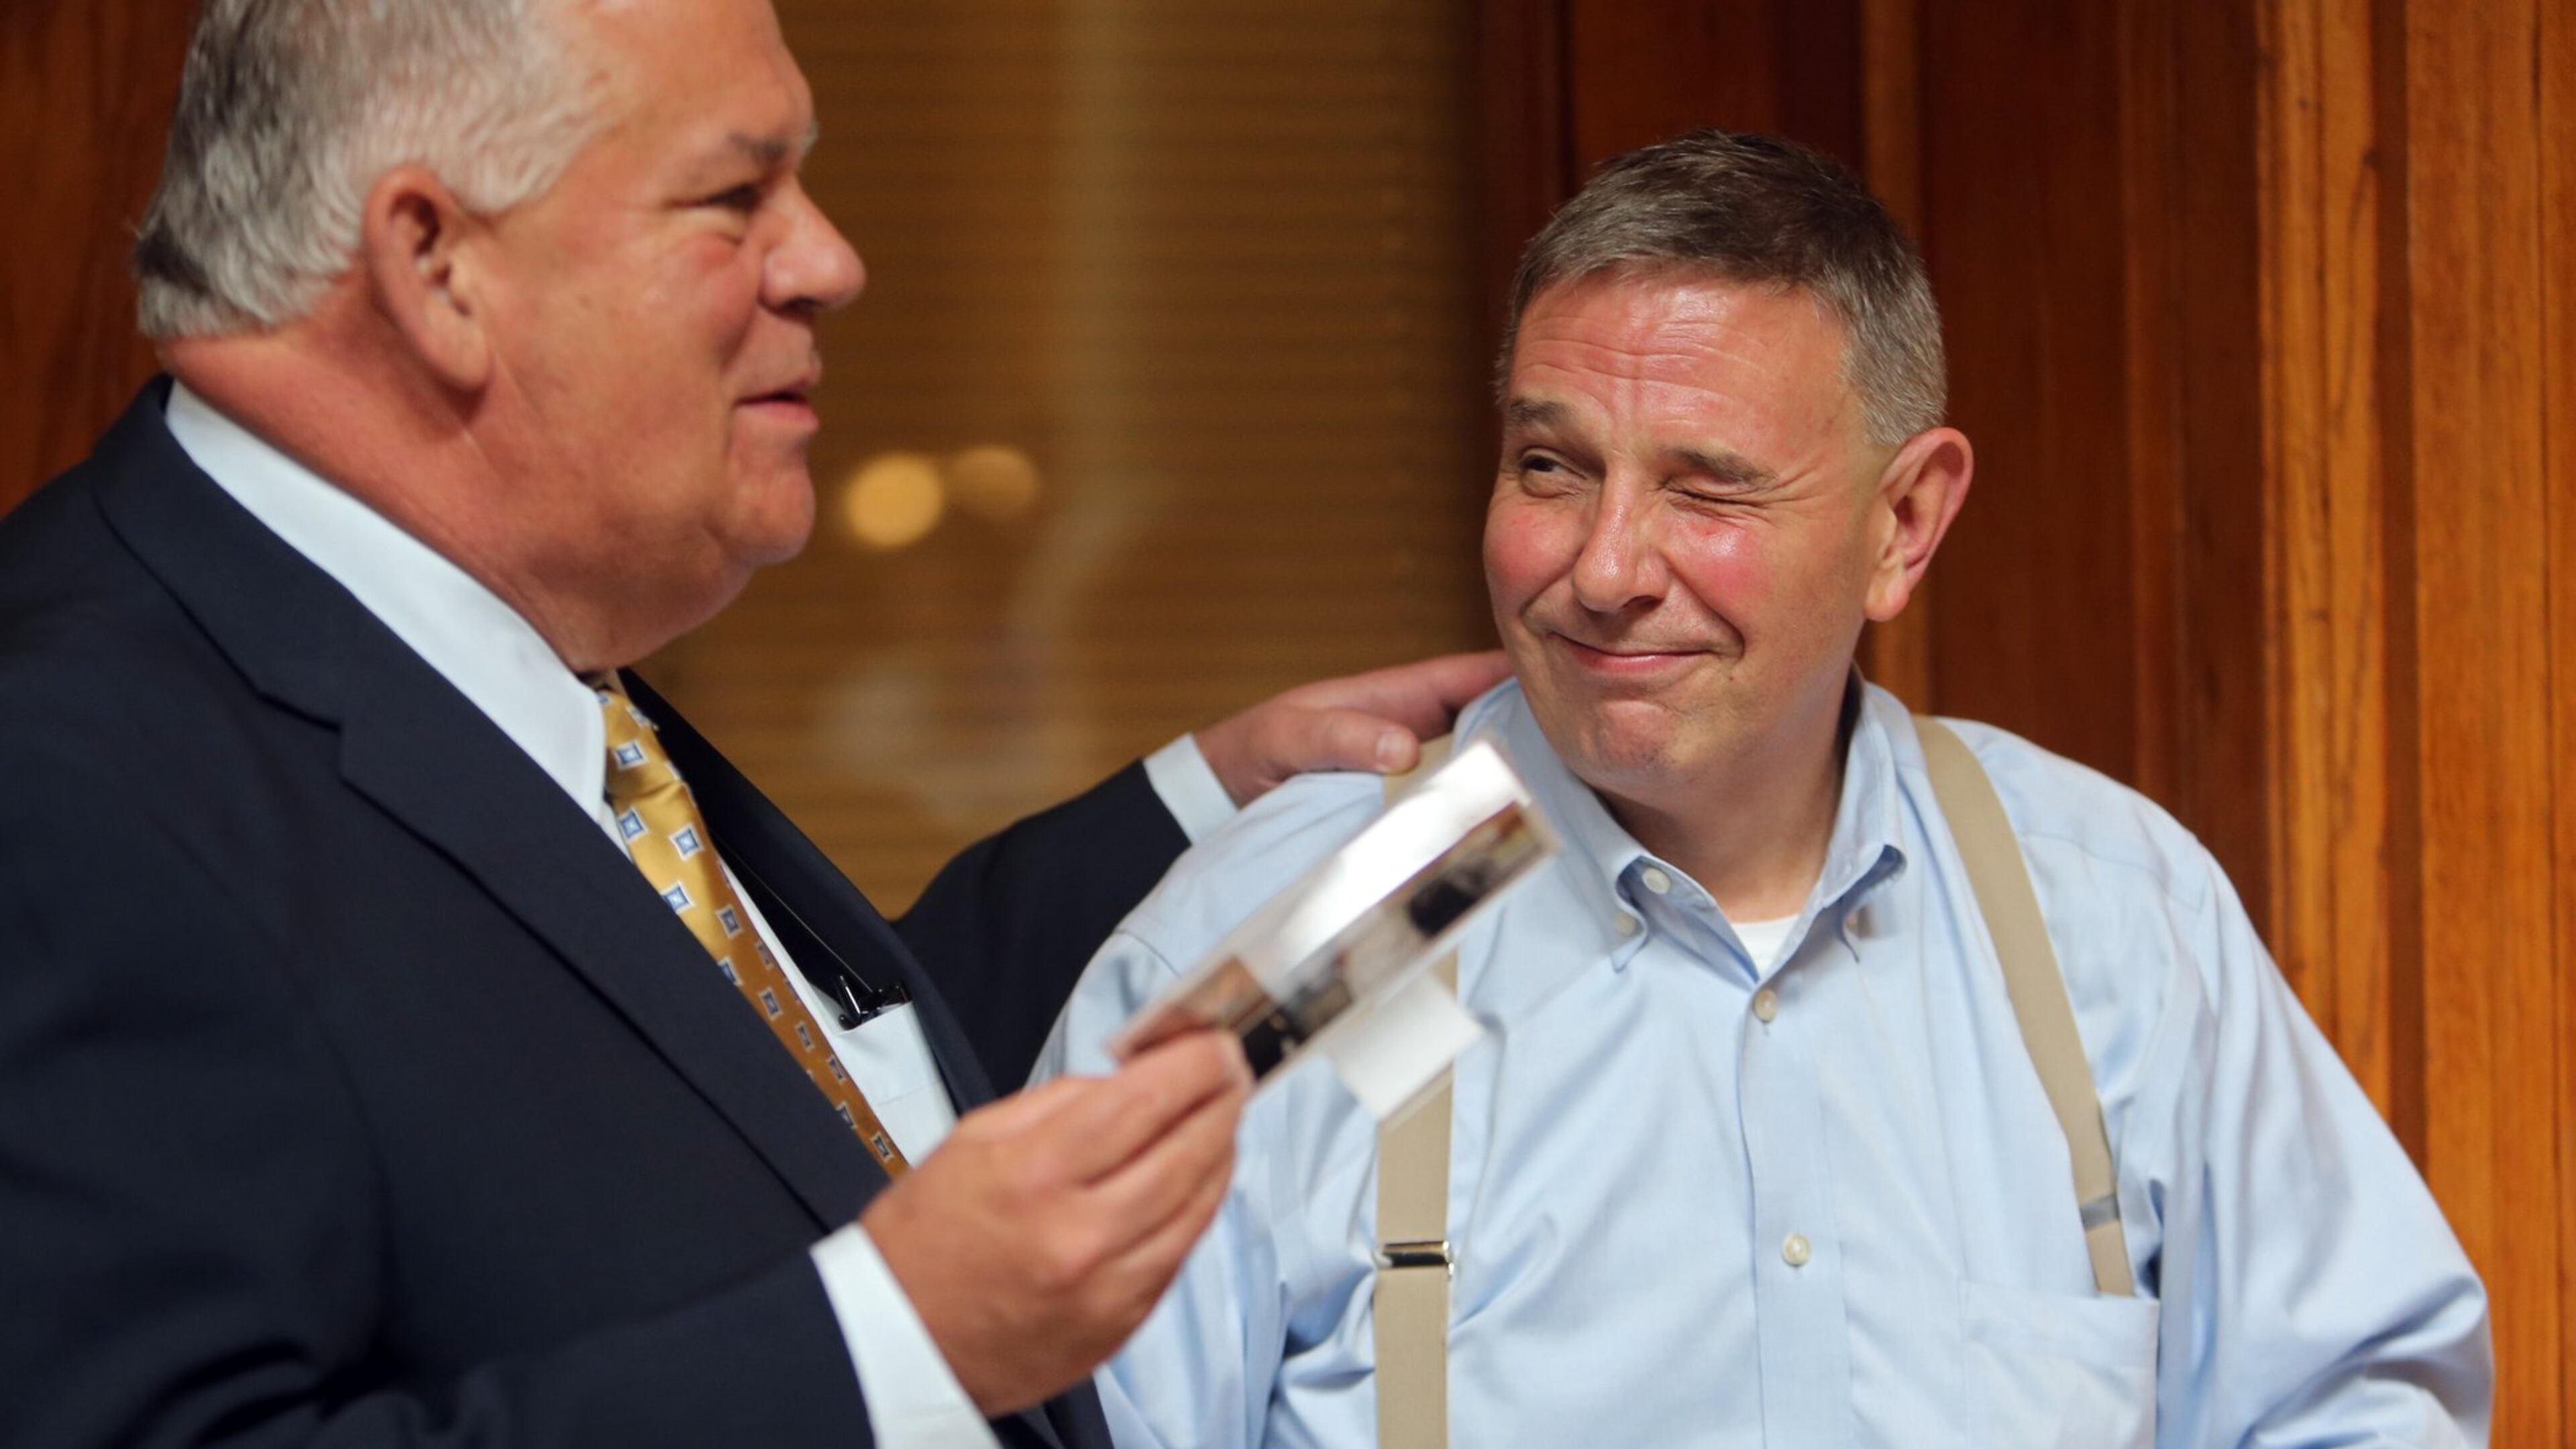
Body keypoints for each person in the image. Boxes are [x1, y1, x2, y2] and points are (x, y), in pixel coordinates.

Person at [0, 1, 1509, 1446]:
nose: (832, 262)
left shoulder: (472, 631)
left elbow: (712, 1099)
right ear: (434, 261)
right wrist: (892, 1351)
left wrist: (1190, 804)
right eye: (737, 193)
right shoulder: (61, 775)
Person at [1040, 130, 2492, 1448]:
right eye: (1552, 467)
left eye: (1706, 487)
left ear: (1904, 525)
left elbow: (2357, 1405)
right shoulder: (1318, 936)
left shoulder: (2098, 913)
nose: (1603, 571)